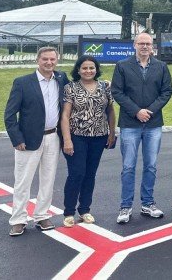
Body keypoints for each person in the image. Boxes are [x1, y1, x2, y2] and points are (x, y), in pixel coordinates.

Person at [4, 47, 69, 236]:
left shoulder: (61, 78)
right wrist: (17, 138)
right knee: (23, 181)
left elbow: (79, 87)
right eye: (45, 59)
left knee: (48, 179)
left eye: (52, 59)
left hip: (53, 137)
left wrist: (103, 83)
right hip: (28, 140)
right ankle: (18, 219)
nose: (49, 63)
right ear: (37, 60)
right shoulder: (23, 83)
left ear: (57, 60)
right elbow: (9, 114)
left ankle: (41, 216)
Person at [112, 33, 172, 224]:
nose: (145, 46)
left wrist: (150, 111)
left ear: (152, 46)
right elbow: (117, 92)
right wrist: (137, 111)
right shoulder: (122, 66)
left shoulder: (161, 66)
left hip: (153, 124)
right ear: (134, 45)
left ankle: (148, 204)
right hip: (130, 124)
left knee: (151, 166)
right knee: (128, 166)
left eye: (148, 43)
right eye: (141, 43)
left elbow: (166, 92)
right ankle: (125, 206)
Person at [59, 56, 115, 228]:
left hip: (98, 137)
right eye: (84, 68)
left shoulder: (105, 87)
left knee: (90, 174)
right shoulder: (71, 88)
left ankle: (84, 210)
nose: (88, 71)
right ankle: (69, 212)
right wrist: (67, 140)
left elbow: (111, 111)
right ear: (78, 70)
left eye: (92, 68)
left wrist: (111, 133)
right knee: (77, 174)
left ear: (96, 69)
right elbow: (65, 115)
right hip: (77, 137)